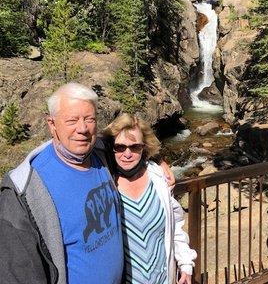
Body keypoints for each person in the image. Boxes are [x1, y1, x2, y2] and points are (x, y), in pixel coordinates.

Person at [0, 82, 175, 284]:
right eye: (72, 120)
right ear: (52, 124)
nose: (82, 128)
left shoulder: (102, 155)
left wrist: (159, 161)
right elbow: (16, 273)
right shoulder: (24, 191)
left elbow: (131, 148)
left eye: (89, 119)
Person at [103, 113, 197, 284]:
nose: (127, 153)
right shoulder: (104, 182)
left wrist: (185, 264)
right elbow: (78, 143)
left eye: (135, 147)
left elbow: (174, 225)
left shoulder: (158, 177)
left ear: (144, 147)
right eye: (120, 147)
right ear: (111, 147)